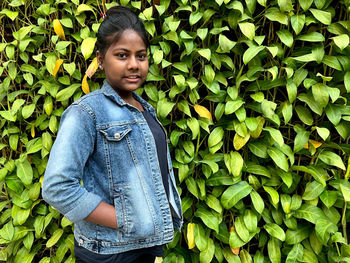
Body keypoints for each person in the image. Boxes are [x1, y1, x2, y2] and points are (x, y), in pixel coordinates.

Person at [42, 6, 183, 263]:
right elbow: (57, 187)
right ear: (100, 58)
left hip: (145, 244)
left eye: (141, 56)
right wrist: (129, 218)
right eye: (122, 55)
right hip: (108, 251)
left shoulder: (145, 109)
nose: (133, 65)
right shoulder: (86, 113)